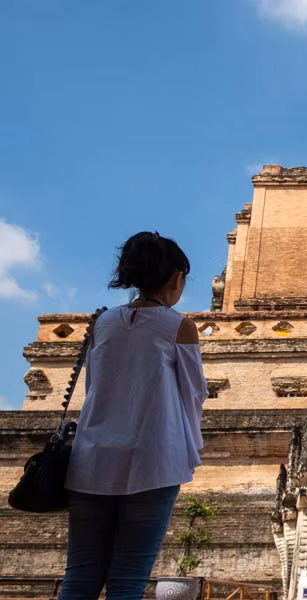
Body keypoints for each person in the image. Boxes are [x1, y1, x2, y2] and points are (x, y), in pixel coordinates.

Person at [60, 231, 207, 600]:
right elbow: (193, 394)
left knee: (79, 576)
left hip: (91, 460)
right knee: (127, 580)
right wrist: (190, 451)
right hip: (152, 462)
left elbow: (95, 388)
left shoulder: (102, 323)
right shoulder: (180, 326)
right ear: (176, 279)